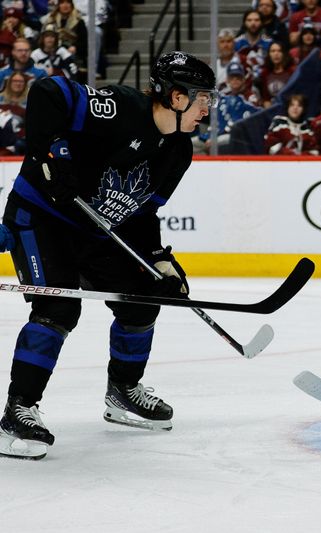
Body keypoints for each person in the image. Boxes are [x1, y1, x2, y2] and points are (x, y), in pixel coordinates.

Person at [0, 51, 217, 460]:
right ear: (175, 96)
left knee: (144, 298)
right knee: (58, 307)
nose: (207, 107)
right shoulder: (120, 107)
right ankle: (18, 409)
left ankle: (123, 392)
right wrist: (53, 156)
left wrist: (158, 261)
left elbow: (142, 211)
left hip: (94, 231)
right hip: (40, 217)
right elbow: (48, 91)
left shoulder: (178, 151)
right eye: (202, 97)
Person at [258, 41, 294, 108]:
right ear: (269, 54)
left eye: (279, 51)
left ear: (284, 53)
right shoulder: (265, 73)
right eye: (273, 51)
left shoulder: (291, 72)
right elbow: (266, 99)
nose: (276, 54)